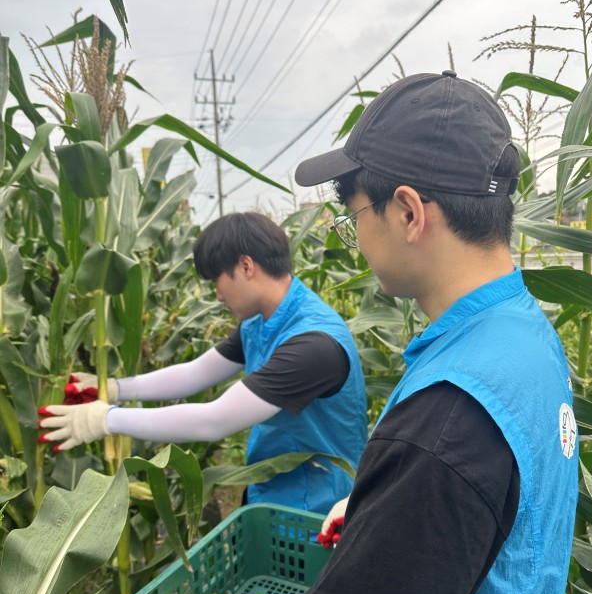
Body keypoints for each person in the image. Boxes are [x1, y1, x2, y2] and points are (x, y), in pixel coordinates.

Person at [141, 70, 579, 594]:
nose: (358, 239)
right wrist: (389, 504)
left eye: (354, 217)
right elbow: (492, 498)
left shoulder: (450, 416)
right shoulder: (523, 333)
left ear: (408, 212)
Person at [38, 212, 367, 515]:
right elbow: (195, 374)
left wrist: (106, 419)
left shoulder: (313, 345)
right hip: (273, 490)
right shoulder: (262, 322)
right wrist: (115, 389)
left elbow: (214, 421)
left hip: (316, 509)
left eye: (216, 281)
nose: (218, 296)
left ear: (246, 267)